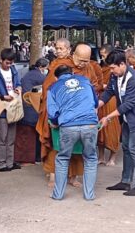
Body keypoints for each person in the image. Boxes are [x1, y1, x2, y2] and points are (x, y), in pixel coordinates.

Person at [36, 41, 100, 189]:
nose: (83, 64)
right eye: (80, 60)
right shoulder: (62, 66)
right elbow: (49, 88)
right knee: (56, 144)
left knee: (79, 146)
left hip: (81, 112)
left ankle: (73, 176)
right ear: (73, 55)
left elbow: (94, 85)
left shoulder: (89, 68)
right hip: (62, 112)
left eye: (86, 61)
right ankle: (53, 175)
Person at [100, 51, 135, 197]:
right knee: (126, 148)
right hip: (126, 117)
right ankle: (125, 181)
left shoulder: (134, 78)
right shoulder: (115, 76)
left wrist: (108, 117)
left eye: (113, 68)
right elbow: (108, 92)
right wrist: (97, 105)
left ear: (122, 64)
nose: (111, 71)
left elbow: (129, 104)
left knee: (134, 149)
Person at [47, 65, 100, 201]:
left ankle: (58, 195)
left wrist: (55, 122)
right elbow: (95, 102)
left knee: (63, 158)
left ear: (56, 77)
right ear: (72, 73)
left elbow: (53, 113)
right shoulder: (85, 81)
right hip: (90, 123)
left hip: (68, 125)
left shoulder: (53, 87)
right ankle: (89, 195)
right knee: (90, 158)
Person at [0, 48, 22, 172]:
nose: (9, 65)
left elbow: (18, 83)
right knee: (2, 138)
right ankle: (1, 163)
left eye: (11, 63)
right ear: (1, 60)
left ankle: (9, 162)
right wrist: (2, 96)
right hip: (2, 107)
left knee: (11, 138)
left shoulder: (14, 70)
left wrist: (18, 88)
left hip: (13, 106)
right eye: (7, 63)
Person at [16, 58, 49, 165]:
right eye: (46, 68)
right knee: (35, 136)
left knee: (25, 137)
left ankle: (25, 158)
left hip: (24, 108)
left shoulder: (28, 74)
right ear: (41, 67)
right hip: (32, 110)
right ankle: (36, 158)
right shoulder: (40, 77)